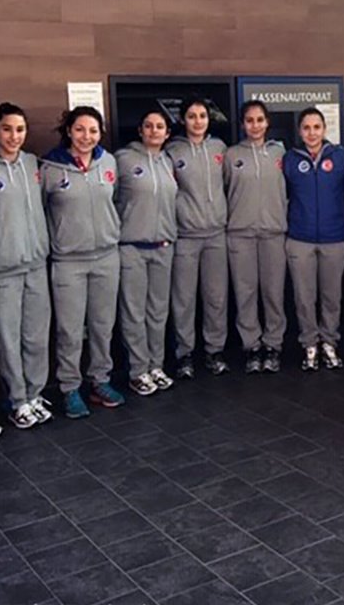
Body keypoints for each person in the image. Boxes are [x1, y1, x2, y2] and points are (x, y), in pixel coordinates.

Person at [0, 102, 53, 430]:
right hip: (2, 268)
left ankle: (34, 394)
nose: (14, 136)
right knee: (8, 339)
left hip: (36, 264)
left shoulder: (33, 164)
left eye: (20, 130)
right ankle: (17, 400)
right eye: (7, 129)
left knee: (36, 336)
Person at [41, 106, 125, 418]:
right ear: (68, 131)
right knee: (70, 330)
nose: (86, 136)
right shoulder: (50, 167)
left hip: (106, 256)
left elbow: (116, 200)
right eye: (80, 129)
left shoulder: (109, 162)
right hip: (68, 261)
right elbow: (40, 210)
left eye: (93, 130)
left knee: (103, 326)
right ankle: (69, 388)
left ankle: (100, 380)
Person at [283, 108, 344, 371]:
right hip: (300, 238)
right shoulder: (290, 159)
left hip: (334, 237)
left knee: (331, 296)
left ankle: (329, 342)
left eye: (316, 127)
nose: (312, 133)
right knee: (304, 297)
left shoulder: (340, 156)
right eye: (306, 128)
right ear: (300, 131)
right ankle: (309, 344)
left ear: (324, 129)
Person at [115, 110, 178, 396]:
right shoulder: (123, 159)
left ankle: (156, 365)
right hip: (133, 247)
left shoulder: (167, 161)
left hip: (163, 247)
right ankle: (138, 370)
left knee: (158, 311)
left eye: (160, 127)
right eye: (149, 126)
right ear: (140, 130)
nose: (154, 131)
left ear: (167, 133)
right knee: (134, 313)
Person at [166, 97, 229, 377]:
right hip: (186, 236)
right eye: (192, 116)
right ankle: (185, 354)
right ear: (183, 119)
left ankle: (214, 351)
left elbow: (228, 184)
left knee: (216, 297)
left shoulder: (220, 148)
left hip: (216, 234)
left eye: (202, 115)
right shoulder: (172, 151)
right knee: (184, 298)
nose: (198, 121)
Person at [225, 100, 287, 373]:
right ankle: (251, 345)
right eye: (249, 120)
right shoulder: (231, 155)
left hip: (273, 232)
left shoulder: (280, 153)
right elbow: (224, 190)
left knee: (273, 292)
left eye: (260, 120)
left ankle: (273, 345)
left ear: (267, 122)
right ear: (242, 124)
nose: (255, 125)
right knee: (245, 293)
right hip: (240, 235)